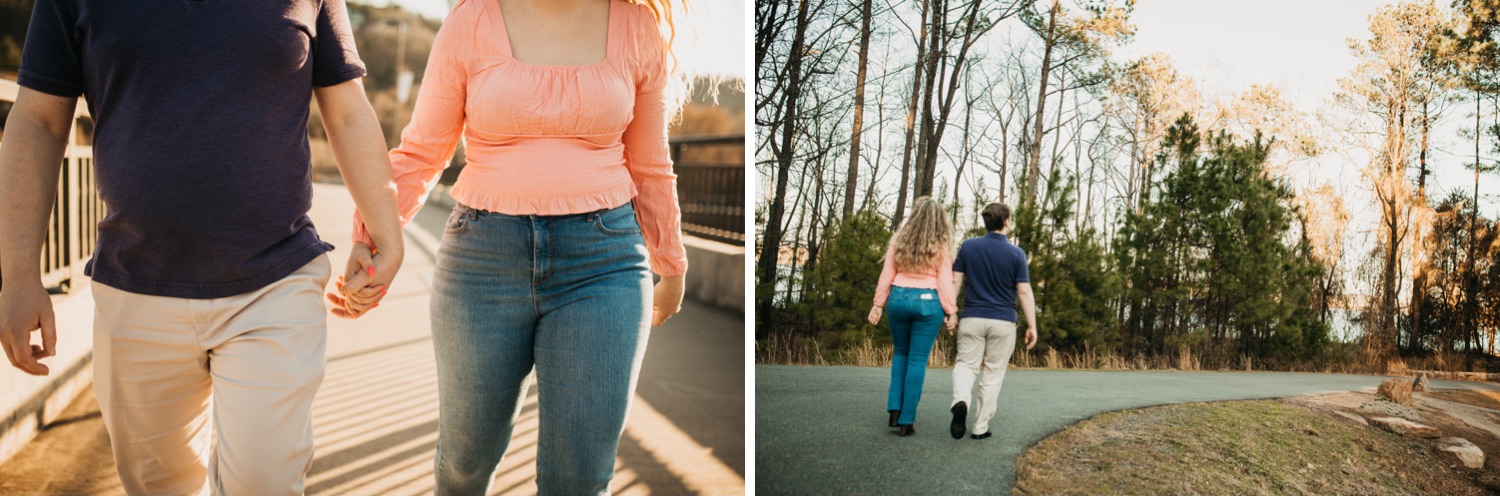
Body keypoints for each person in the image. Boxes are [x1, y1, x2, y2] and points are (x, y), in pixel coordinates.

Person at [0, 0, 405, 494]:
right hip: (136, 285)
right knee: (160, 488)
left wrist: (384, 230)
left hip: (274, 280)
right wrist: (18, 274)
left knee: (266, 482)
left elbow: (346, 112)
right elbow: (39, 120)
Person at [326, 0, 688, 494]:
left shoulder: (636, 28)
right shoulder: (472, 20)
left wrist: (671, 262)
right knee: (464, 466)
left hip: (605, 262)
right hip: (481, 260)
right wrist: (369, 236)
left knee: (581, 479)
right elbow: (423, 149)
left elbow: (649, 162)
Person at [867, 196, 957, 437]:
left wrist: (878, 304)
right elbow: (945, 282)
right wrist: (951, 311)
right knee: (917, 360)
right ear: (939, 220)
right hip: (928, 303)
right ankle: (907, 420)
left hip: (897, 299)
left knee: (900, 353)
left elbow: (887, 274)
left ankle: (894, 411)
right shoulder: (941, 245)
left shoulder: (899, 240)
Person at [948, 202, 1037, 440]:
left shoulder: (968, 247)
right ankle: (979, 427)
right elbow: (1025, 291)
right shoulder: (1016, 254)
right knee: (993, 373)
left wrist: (951, 311)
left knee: (966, 365)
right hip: (1003, 322)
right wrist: (1032, 325)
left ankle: (960, 401)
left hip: (972, 318)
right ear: (1006, 222)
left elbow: (955, 282)